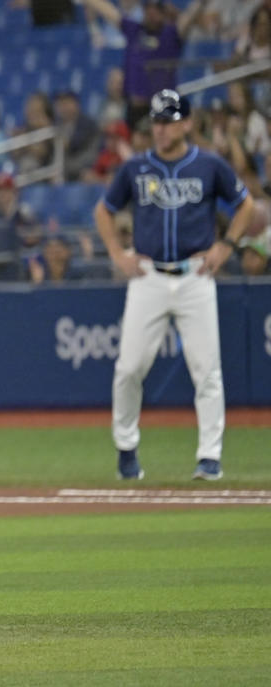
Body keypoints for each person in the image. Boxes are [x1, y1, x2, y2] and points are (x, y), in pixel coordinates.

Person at [93, 90, 253, 482]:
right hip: (148, 276)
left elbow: (245, 205)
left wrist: (225, 246)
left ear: (187, 123)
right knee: (129, 368)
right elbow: (104, 210)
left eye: (168, 121)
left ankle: (210, 457)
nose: (160, 129)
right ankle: (126, 448)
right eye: (156, 122)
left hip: (195, 275)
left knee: (207, 370)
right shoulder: (136, 168)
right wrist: (117, 253)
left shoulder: (209, 165)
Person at [80, 0, 205, 128]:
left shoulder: (171, 35)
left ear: (163, 12)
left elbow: (190, 15)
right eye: (148, 9)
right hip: (134, 108)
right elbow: (109, 12)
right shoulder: (134, 30)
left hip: (162, 108)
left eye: (156, 9)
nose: (151, 13)